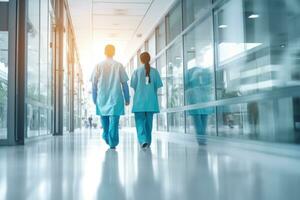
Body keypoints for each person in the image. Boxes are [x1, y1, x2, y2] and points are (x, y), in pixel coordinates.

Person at [91, 44, 130, 149]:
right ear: (114, 53)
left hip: (102, 97)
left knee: (104, 120)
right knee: (114, 121)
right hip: (115, 97)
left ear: (104, 52)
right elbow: (124, 84)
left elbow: (94, 84)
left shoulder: (98, 66)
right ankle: (111, 140)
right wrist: (127, 98)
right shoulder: (119, 65)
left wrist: (94, 98)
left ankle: (107, 136)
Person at [130, 52, 163, 149]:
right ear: (149, 59)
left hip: (139, 102)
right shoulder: (155, 72)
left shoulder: (136, 71)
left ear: (141, 60)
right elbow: (157, 87)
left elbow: (134, 87)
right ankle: (148, 142)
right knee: (149, 123)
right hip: (151, 102)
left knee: (139, 122)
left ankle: (143, 140)